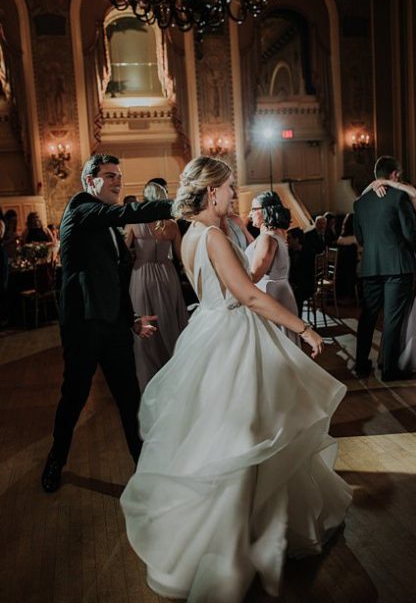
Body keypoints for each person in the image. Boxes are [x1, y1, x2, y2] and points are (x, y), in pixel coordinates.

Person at [119, 156, 351, 601]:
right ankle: (231, 541)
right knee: (244, 433)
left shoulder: (189, 236)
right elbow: (245, 294)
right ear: (210, 192)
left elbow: (217, 293)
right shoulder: (212, 236)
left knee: (223, 431)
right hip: (233, 337)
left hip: (204, 334)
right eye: (228, 188)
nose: (233, 195)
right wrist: (303, 328)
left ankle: (248, 527)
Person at [40, 154, 172, 493]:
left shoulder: (108, 226)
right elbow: (127, 212)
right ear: (89, 181)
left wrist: (130, 318)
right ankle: (56, 458)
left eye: (119, 176)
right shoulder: (81, 209)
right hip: (83, 327)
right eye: (110, 176)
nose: (117, 181)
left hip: (113, 326)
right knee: (74, 396)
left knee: (129, 398)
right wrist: (177, 204)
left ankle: (143, 470)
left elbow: (115, 278)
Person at [353, 155, 416, 381]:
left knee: (368, 316)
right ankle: (390, 370)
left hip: (370, 266)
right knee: (392, 319)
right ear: (395, 175)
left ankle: (361, 364)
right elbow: (411, 233)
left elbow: (360, 238)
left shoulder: (360, 203)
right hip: (398, 267)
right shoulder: (399, 196)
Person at [124, 180, 188, 391]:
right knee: (169, 322)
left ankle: (149, 381)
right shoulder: (171, 225)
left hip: (141, 275)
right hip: (166, 274)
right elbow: (182, 258)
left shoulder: (135, 222)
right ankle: (173, 375)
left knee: (144, 324)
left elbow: (122, 253)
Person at [245, 190, 299, 344]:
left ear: (266, 211)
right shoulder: (278, 233)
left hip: (270, 296)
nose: (250, 214)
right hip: (281, 292)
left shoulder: (267, 238)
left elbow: (255, 275)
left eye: (253, 209)